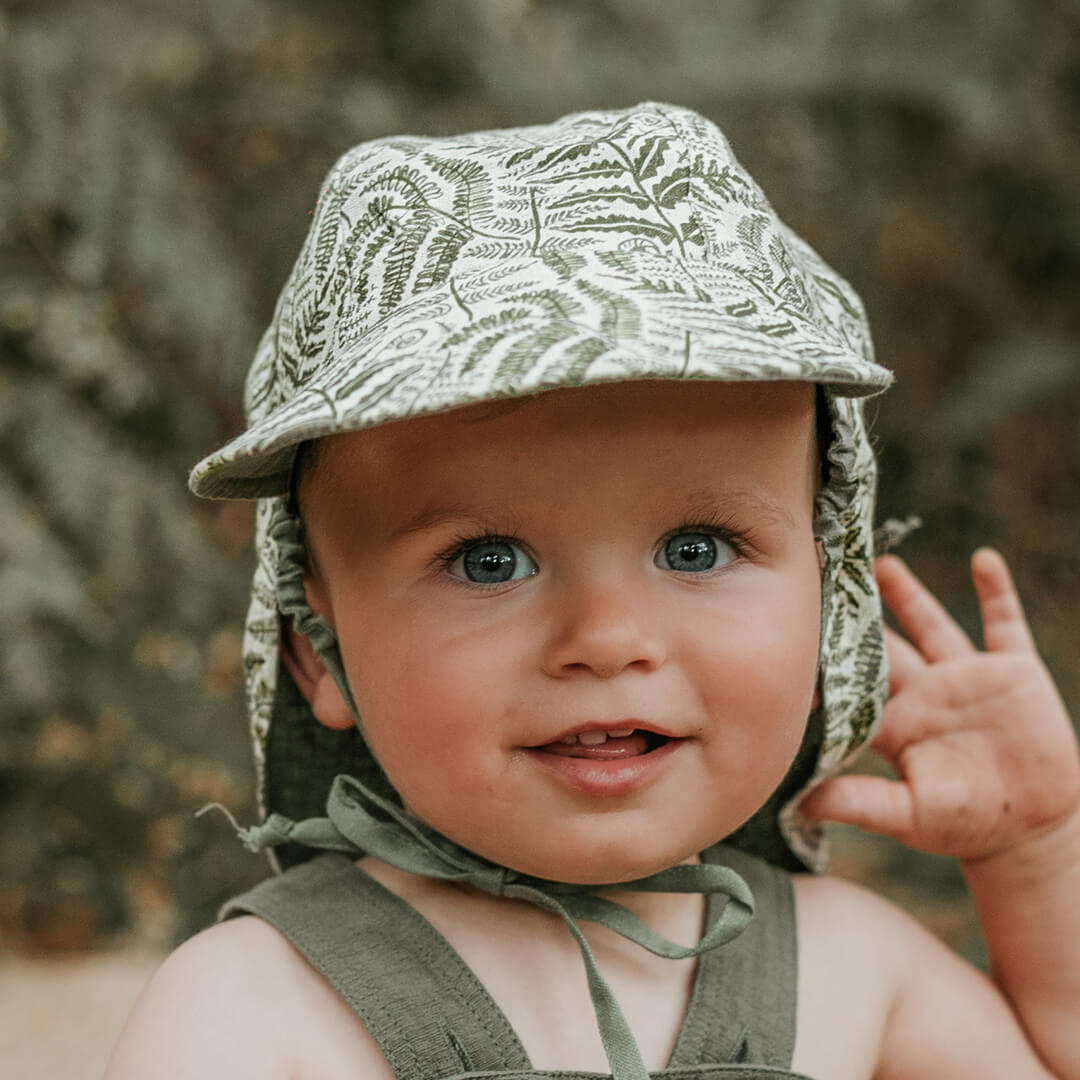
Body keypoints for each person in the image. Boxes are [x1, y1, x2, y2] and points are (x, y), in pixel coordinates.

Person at [105, 103, 1080, 1080]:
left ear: (832, 594)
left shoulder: (858, 969)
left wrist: (1038, 860)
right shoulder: (254, 1007)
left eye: (697, 549)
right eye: (489, 561)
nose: (608, 640)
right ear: (317, 647)